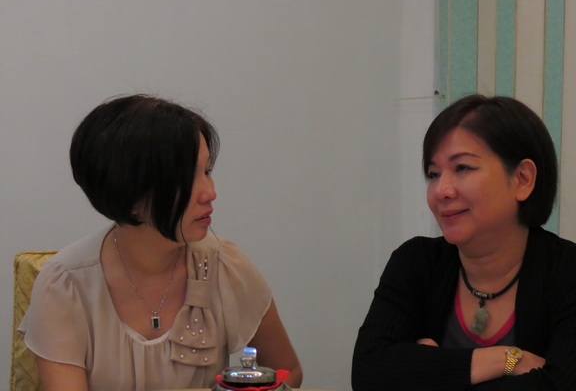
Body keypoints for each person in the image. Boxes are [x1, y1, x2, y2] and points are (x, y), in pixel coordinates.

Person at [19, 94, 303, 391]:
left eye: (207, 171)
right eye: (187, 178)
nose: (210, 192)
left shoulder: (224, 264)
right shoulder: (66, 283)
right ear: (128, 191)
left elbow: (288, 371)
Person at [352, 94, 576, 390]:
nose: (441, 190)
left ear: (522, 179)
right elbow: (369, 374)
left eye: (463, 168)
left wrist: (428, 372)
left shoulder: (568, 271)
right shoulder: (417, 261)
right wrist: (507, 360)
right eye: (433, 174)